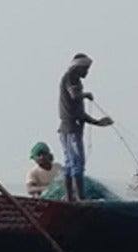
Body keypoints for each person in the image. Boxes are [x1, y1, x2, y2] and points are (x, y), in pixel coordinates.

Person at [58, 53, 113, 201]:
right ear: (77, 68)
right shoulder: (71, 77)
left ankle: (71, 198)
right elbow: (75, 95)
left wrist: (98, 122)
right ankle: (79, 198)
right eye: (85, 69)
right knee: (76, 163)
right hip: (70, 129)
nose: (87, 72)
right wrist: (86, 94)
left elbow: (80, 113)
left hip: (71, 127)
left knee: (71, 163)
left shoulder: (75, 81)